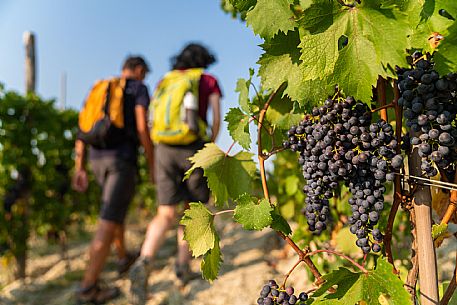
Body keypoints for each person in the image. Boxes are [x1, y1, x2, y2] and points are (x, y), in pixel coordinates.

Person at [129, 43, 222, 304]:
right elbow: (216, 118)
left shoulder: (165, 80)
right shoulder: (208, 80)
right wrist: (210, 145)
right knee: (192, 211)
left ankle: (144, 260)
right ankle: (183, 268)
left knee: (165, 213)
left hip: (164, 149)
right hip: (193, 147)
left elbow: (151, 118)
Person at [72, 56, 155, 304]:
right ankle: (88, 288)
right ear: (139, 70)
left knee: (114, 212)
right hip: (121, 160)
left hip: (97, 160)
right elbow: (142, 128)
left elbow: (82, 129)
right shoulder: (139, 88)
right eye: (144, 74)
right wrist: (152, 163)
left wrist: (80, 167)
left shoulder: (101, 88)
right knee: (108, 220)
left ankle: (122, 256)